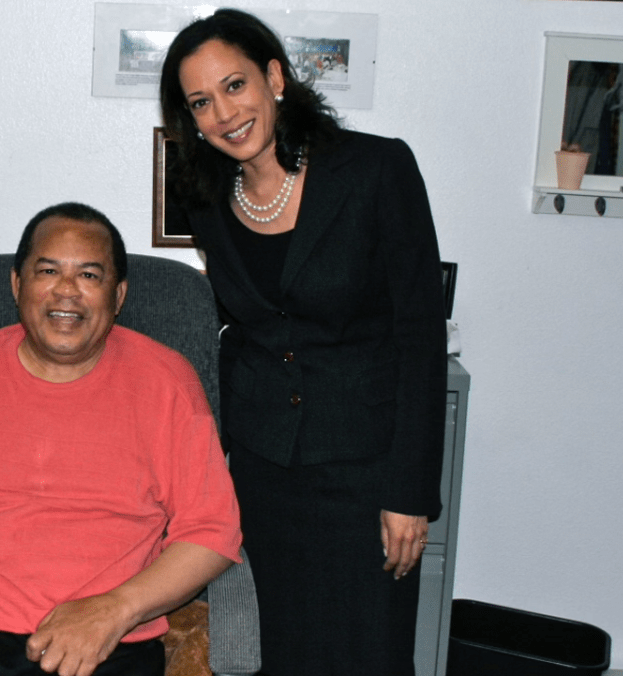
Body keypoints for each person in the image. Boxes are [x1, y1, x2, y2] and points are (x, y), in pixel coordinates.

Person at [159, 9, 447, 676]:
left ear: (275, 77)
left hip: (367, 472)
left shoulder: (376, 169)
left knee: (369, 652)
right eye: (200, 101)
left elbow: (419, 338)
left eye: (234, 86)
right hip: (266, 474)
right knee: (282, 650)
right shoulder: (207, 196)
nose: (223, 113)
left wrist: (410, 492)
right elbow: (249, 327)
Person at [0, 203, 243, 676]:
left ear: (118, 296)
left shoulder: (167, 381)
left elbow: (212, 533)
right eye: (48, 270)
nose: (66, 291)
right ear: (17, 285)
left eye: (90, 276)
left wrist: (114, 611)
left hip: (106, 640)